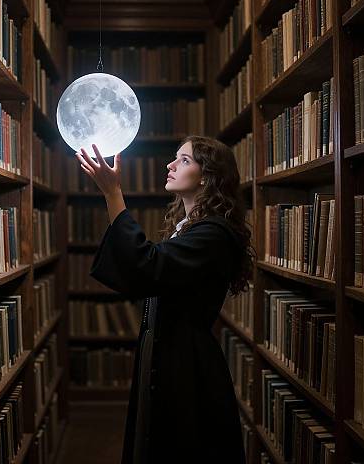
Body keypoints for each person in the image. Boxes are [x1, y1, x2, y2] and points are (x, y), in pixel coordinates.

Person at [75, 135, 253, 464]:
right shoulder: (189, 229)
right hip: (169, 352)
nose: (171, 165)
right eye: (175, 158)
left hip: (188, 365)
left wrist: (113, 194)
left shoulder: (214, 234)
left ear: (208, 175)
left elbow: (148, 267)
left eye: (184, 160)